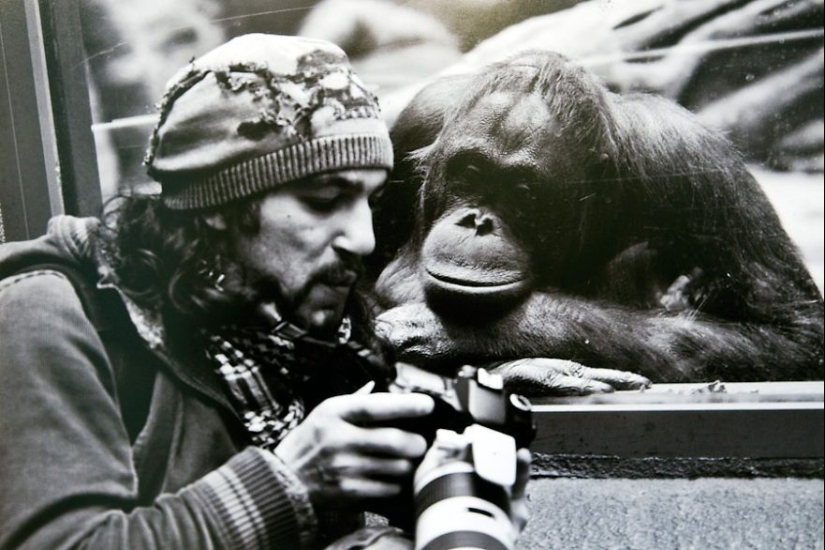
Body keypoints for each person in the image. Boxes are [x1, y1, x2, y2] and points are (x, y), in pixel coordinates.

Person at [0, 34, 530, 549]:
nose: (362, 240)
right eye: (325, 199)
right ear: (216, 207)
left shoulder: (298, 332)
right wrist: (289, 482)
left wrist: (449, 495)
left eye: (369, 201)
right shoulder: (45, 315)